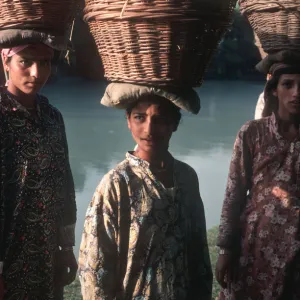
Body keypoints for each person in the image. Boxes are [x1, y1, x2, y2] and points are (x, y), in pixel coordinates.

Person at [78, 95, 212, 299]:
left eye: (159, 120)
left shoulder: (187, 177)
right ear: (128, 121)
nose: (149, 129)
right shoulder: (116, 183)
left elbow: (198, 248)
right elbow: (95, 265)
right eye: (140, 117)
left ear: (174, 124)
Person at [215, 61, 300, 299]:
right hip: (253, 248)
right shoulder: (252, 133)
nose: (296, 93)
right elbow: (234, 193)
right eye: (288, 84)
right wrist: (225, 249)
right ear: (274, 89)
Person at [0, 44, 77, 299]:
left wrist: (66, 246)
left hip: (47, 252)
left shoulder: (53, 118)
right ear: (6, 62)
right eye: (25, 62)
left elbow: (64, 183)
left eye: (44, 63)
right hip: (7, 258)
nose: (36, 73)